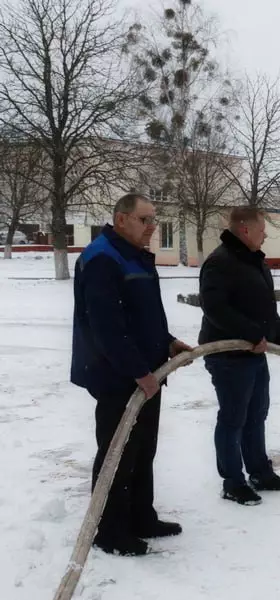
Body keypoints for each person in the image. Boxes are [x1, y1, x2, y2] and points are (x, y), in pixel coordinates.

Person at [71, 193, 194, 556]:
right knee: (117, 453)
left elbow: (142, 316)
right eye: (145, 219)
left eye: (153, 219)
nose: (152, 226)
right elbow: (107, 328)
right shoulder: (101, 258)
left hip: (146, 372)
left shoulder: (132, 254)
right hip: (116, 376)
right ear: (121, 219)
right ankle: (109, 531)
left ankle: (141, 517)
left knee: (142, 449)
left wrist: (168, 343)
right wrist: (138, 371)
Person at [198, 206, 280, 505]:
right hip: (227, 356)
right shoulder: (220, 263)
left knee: (257, 414)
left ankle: (260, 472)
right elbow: (215, 309)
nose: (265, 234)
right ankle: (232, 481)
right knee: (233, 418)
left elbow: (268, 312)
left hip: (254, 355)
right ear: (244, 230)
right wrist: (251, 334)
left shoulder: (255, 262)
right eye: (261, 229)